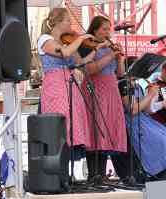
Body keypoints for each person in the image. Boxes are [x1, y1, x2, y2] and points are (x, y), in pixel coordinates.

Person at [38, 8, 96, 150]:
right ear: (58, 22)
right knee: (60, 121)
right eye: (68, 20)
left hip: (70, 85)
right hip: (55, 85)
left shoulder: (66, 42)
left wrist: (95, 49)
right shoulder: (45, 39)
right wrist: (80, 39)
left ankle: (68, 162)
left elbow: (79, 62)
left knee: (73, 122)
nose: (70, 23)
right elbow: (64, 53)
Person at [80, 16, 127, 182]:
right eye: (104, 29)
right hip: (96, 88)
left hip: (111, 88)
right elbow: (91, 69)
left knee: (107, 129)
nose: (108, 32)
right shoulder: (88, 45)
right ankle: (94, 174)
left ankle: (102, 173)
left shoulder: (110, 47)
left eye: (109, 29)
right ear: (95, 29)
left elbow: (120, 74)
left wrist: (119, 58)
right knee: (96, 129)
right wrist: (110, 55)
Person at [118, 78, 166, 180]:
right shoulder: (123, 84)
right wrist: (150, 95)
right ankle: (159, 175)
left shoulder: (138, 86)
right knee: (160, 141)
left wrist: (154, 96)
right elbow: (132, 110)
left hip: (145, 119)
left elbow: (147, 110)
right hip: (133, 121)